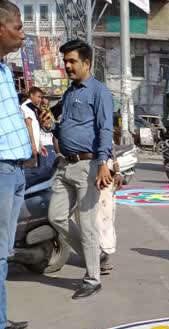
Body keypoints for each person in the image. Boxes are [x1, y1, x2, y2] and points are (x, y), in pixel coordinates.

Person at [39, 39, 114, 300]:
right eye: (65, 62)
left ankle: (92, 279)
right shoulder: (70, 93)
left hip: (89, 165)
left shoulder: (99, 93)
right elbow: (63, 129)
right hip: (65, 165)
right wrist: (51, 127)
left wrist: (104, 163)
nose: (67, 66)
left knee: (89, 224)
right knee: (56, 216)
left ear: (87, 63)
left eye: (71, 61)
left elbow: (105, 129)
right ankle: (93, 255)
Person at [0, 0, 32, 329]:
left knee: (4, 253)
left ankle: (1, 315)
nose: (23, 34)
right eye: (19, 26)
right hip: (1, 168)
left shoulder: (5, 71)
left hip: (15, 168)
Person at [20, 86, 46, 168]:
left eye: (41, 97)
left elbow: (35, 128)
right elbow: (29, 126)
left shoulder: (32, 108)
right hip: (29, 146)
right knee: (29, 171)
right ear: (31, 95)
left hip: (34, 145)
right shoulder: (25, 107)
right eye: (38, 97)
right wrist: (33, 145)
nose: (40, 99)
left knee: (34, 170)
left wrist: (40, 144)